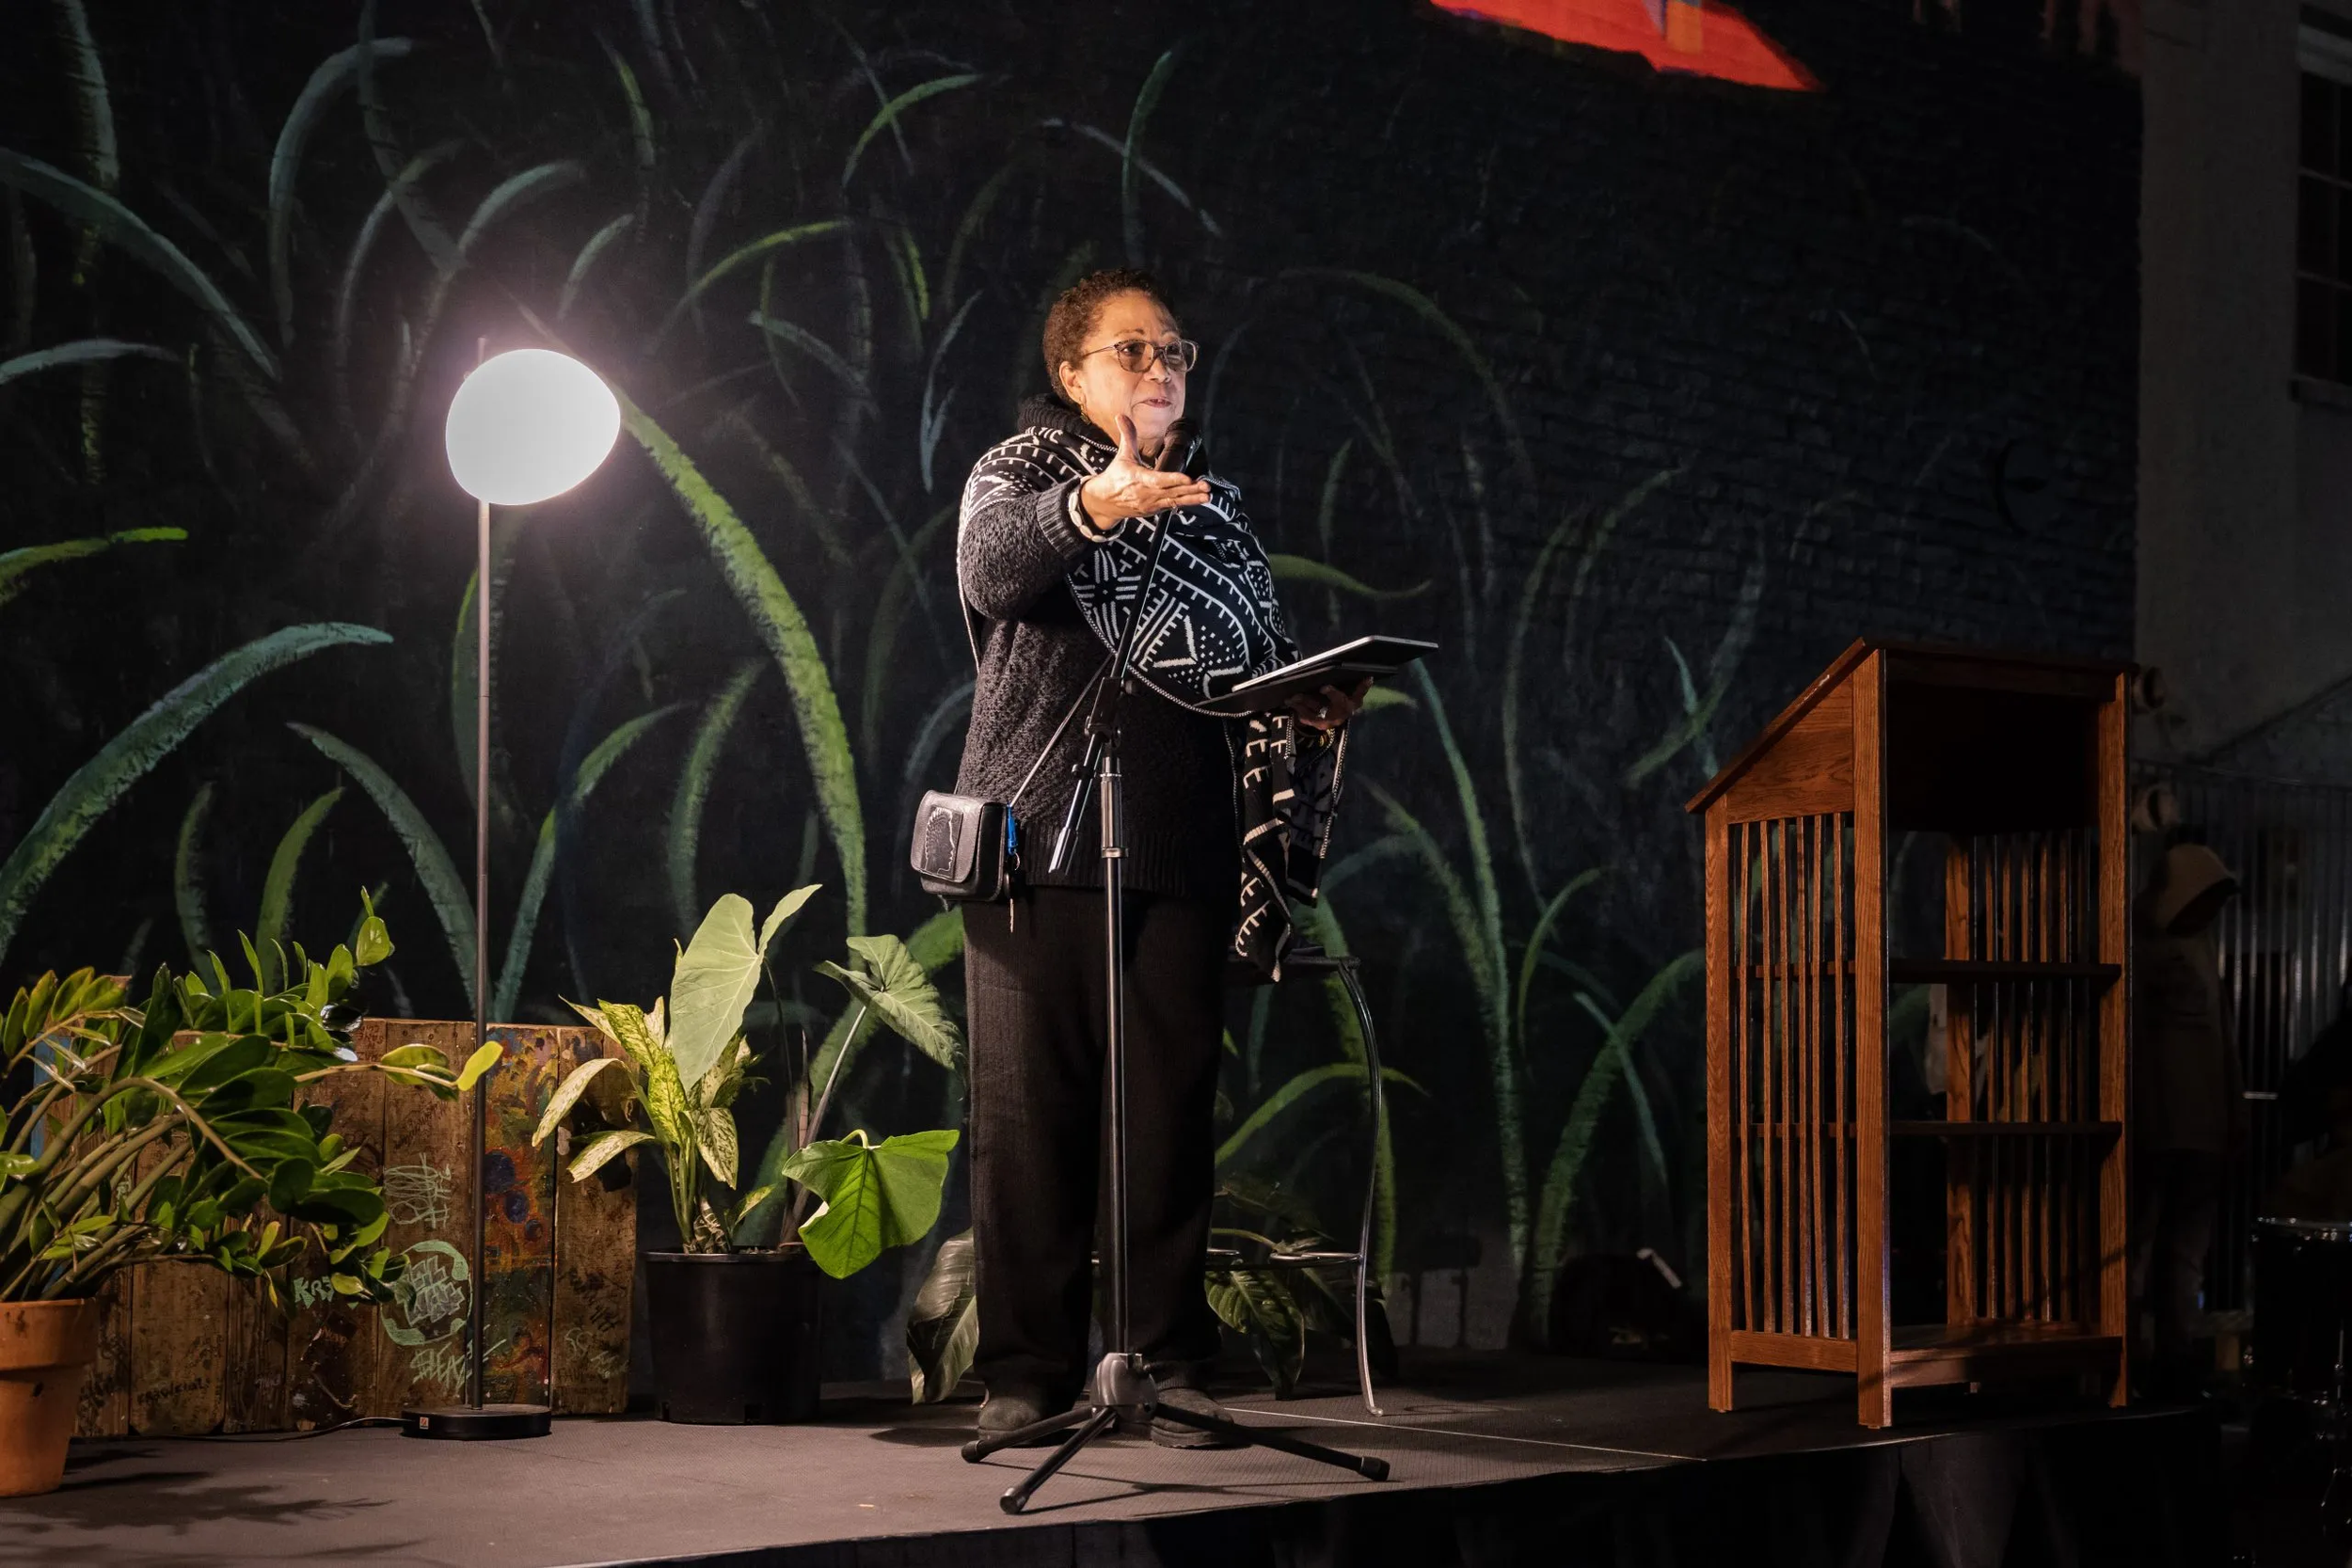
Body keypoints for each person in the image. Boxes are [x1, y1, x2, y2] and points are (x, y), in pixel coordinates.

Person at [951, 269, 1363, 1447]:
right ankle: (1025, 1372)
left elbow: (1249, 665)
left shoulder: (1216, 510)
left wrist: (1306, 700)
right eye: (1130, 350)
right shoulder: (1019, 471)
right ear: (1070, 375)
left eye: (1173, 350)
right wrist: (1098, 505)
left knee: (1167, 1121)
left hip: (1181, 850)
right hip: (1038, 843)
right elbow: (990, 575)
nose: (1160, 368)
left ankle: (1168, 1362)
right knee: (1030, 1120)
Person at [2130, 841, 2248, 1396]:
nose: (2210, 911)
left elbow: (2224, 1040)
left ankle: (2175, 1362)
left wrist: (2234, 1115)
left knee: (2182, 1255)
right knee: (2137, 1251)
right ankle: (2130, 1358)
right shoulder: (2137, 945)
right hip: (2153, 1129)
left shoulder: (2199, 944)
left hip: (2200, 1131)